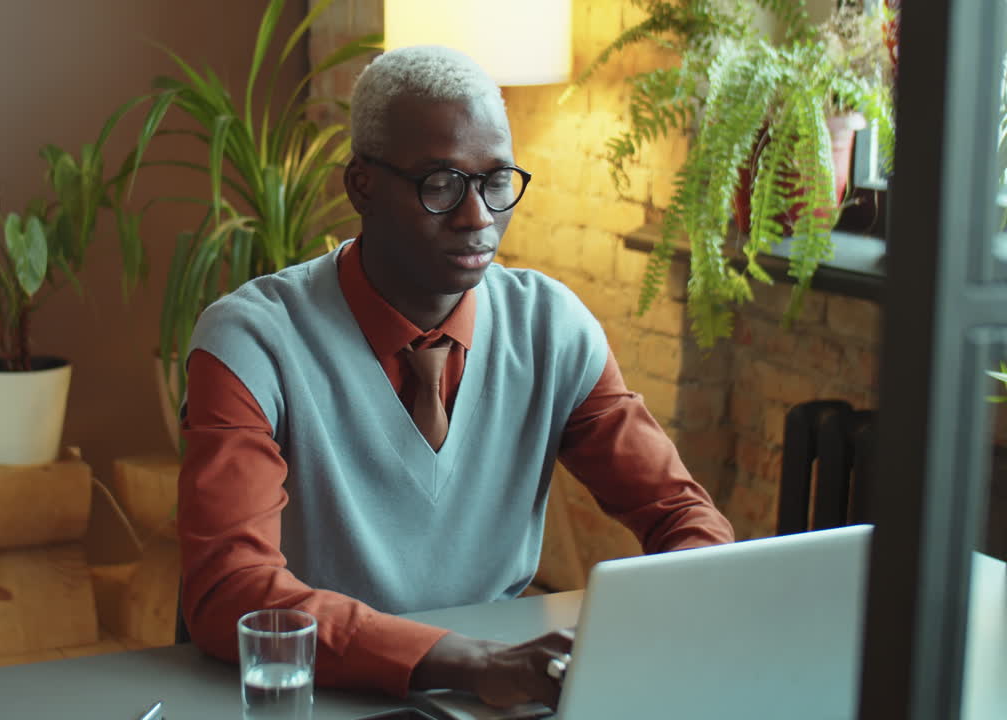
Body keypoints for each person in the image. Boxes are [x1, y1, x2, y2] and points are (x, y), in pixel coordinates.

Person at [175, 44, 734, 710]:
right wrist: (466, 663)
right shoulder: (251, 342)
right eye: (440, 184)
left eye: (497, 181)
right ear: (362, 185)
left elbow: (680, 515)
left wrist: (649, 629)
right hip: (315, 691)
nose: (478, 217)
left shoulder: (551, 327)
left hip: (489, 695)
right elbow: (227, 589)